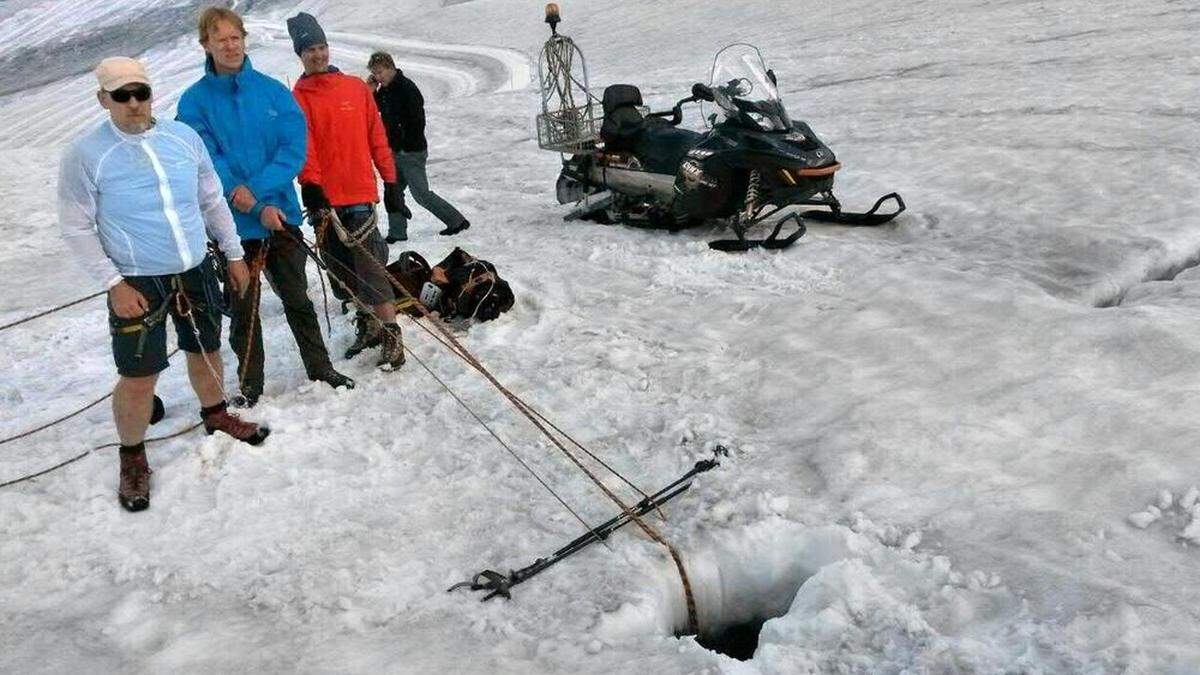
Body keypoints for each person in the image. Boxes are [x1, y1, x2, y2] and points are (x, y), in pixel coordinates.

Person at [58, 57, 270, 513]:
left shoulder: (183, 138)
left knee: (206, 347)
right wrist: (114, 283)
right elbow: (76, 228)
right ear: (104, 100)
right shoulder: (86, 155)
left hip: (193, 267)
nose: (134, 103)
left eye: (141, 92)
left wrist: (233, 254)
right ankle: (132, 457)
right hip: (137, 280)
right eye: (122, 96)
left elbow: (212, 201)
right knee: (139, 374)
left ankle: (215, 414)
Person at [176, 6, 353, 407]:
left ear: (244, 39)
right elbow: (204, 159)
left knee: (297, 298)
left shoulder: (273, 91)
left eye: (235, 37)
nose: (230, 45)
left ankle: (320, 367)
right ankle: (250, 382)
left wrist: (253, 193)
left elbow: (294, 149)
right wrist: (248, 203)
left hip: (280, 216)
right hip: (233, 227)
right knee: (243, 308)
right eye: (220, 39)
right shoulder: (193, 103)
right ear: (206, 44)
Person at [287, 12, 406, 370]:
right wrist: (311, 185)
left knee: (371, 271)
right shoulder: (299, 96)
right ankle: (368, 324)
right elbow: (304, 147)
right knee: (343, 275)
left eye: (321, 46)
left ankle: (391, 334)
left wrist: (391, 182)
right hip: (325, 203)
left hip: (359, 198)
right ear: (300, 54)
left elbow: (377, 137)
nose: (318, 55)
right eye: (310, 49)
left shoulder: (355, 88)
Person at [367, 51, 470, 243]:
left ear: (391, 68)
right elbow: (373, 109)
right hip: (395, 151)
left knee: (421, 194)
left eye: (380, 72)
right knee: (393, 192)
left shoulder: (407, 88)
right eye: (375, 74)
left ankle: (457, 221)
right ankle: (397, 233)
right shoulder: (385, 90)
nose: (379, 77)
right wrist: (371, 91)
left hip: (411, 152)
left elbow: (417, 121)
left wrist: (405, 144)